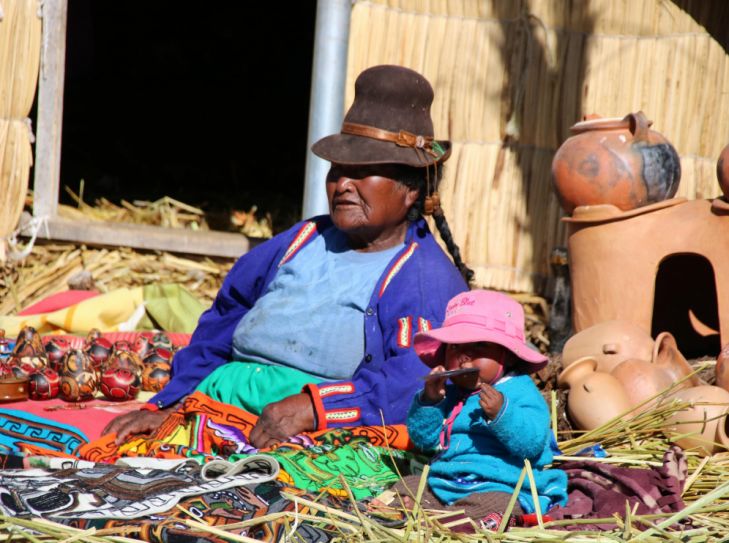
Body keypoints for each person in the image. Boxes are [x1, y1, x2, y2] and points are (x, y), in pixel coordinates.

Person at [103, 65, 472, 449]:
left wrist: (314, 408)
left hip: (306, 431)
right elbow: (223, 319)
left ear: (410, 189)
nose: (342, 185)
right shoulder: (303, 239)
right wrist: (173, 402)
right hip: (213, 404)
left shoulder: (422, 280)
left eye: (363, 173)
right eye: (337, 170)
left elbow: (409, 382)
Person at [389, 290, 567, 528]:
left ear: (509, 356)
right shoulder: (450, 394)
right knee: (406, 486)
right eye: (454, 347)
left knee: (494, 507)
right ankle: (431, 516)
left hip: (502, 486)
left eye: (480, 345)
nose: (464, 356)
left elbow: (532, 444)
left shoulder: (520, 393)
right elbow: (424, 439)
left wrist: (502, 414)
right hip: (446, 482)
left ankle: (446, 523)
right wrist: (430, 401)